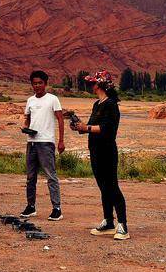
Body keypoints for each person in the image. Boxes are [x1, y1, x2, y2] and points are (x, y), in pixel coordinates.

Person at [70, 70, 129, 240]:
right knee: (103, 187)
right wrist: (78, 126)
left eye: (92, 83)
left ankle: (123, 224)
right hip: (95, 149)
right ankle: (108, 221)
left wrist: (86, 128)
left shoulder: (111, 105)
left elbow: (107, 129)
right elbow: (91, 126)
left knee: (112, 186)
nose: (90, 86)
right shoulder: (97, 104)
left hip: (107, 150)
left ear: (100, 85)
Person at [19, 70, 65, 221]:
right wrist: (25, 127)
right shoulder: (30, 100)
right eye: (34, 83)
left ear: (45, 84)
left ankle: (56, 208)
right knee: (30, 177)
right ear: (31, 84)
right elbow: (27, 118)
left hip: (46, 142)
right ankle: (30, 206)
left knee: (51, 175)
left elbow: (60, 120)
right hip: (31, 141)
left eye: (40, 83)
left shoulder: (53, 99)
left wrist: (61, 140)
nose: (37, 85)